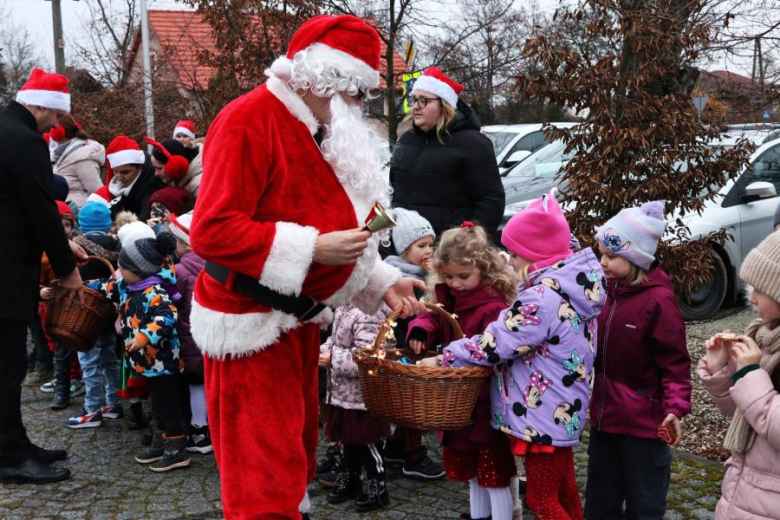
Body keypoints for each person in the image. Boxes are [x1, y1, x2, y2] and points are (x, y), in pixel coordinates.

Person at [189, 15, 425, 519]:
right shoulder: (249, 119)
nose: (360, 109)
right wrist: (312, 249)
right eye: (356, 95)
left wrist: (382, 282)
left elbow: (340, 224)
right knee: (262, 480)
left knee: (293, 458)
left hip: (297, 321)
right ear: (325, 81)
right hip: (250, 327)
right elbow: (212, 230)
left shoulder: (318, 129)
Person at [420, 191, 606, 520]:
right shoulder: (572, 285)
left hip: (543, 414)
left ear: (536, 255)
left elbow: (495, 344)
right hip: (561, 407)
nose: (512, 261)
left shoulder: (541, 298)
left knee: (541, 499)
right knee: (564, 491)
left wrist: (445, 357)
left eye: (517, 255)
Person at [0, 68, 86, 484]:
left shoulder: (5, 128)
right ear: (40, 105)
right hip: (6, 268)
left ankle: (15, 444)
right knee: (7, 364)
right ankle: (10, 455)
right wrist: (67, 270)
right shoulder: (23, 139)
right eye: (54, 116)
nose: (56, 125)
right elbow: (40, 207)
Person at [585, 202, 691, 520]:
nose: (602, 262)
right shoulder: (603, 291)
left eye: (611, 256)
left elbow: (675, 363)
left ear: (635, 259)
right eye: (600, 253)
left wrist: (674, 408)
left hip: (645, 425)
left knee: (645, 503)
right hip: (605, 419)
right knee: (600, 502)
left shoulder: (659, 302)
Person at [409, 223, 518, 520]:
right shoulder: (448, 298)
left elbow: (491, 349)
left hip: (485, 404)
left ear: (484, 269)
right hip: (457, 403)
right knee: (471, 473)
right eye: (449, 276)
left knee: (493, 475)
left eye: (463, 276)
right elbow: (434, 317)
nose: (455, 283)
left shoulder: (492, 308)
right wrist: (421, 329)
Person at [85, 231, 190, 472]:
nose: (119, 272)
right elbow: (104, 286)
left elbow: (167, 318)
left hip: (164, 362)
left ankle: (176, 448)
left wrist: (143, 337)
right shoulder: (126, 286)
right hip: (146, 362)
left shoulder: (156, 292)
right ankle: (161, 440)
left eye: (124, 268)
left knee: (167, 404)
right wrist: (76, 286)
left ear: (141, 271)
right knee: (157, 402)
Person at [698, 229, 780, 520]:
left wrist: (748, 373)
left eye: (761, 289)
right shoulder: (768, 336)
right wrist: (723, 370)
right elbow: (746, 413)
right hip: (747, 490)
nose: (752, 298)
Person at [390, 67, 505, 243]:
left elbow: (490, 200)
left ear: (444, 105)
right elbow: (394, 192)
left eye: (424, 101)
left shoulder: (474, 144)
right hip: (405, 249)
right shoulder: (407, 139)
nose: (415, 107)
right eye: (414, 100)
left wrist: (468, 242)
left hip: (449, 253)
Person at [320, 303, 394, 512]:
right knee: (348, 440)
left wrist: (333, 359)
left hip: (364, 397)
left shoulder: (370, 313)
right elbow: (336, 340)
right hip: (344, 394)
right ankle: (351, 477)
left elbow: (371, 355)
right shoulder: (346, 307)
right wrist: (325, 350)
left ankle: (377, 484)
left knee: (367, 441)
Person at [65, 202, 122, 428]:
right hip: (109, 311)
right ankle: (113, 402)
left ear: (82, 224)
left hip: (85, 312)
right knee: (109, 357)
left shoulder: (77, 247)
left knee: (89, 360)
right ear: (108, 223)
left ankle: (92, 409)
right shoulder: (118, 245)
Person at [168, 211, 212, 455]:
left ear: (186, 243)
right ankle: (213, 428)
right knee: (211, 383)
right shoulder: (215, 265)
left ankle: (199, 431)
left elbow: (173, 304)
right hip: (212, 335)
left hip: (189, 337)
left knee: (196, 385)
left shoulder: (180, 271)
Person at [41, 201, 83, 411]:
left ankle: (82, 384)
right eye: (58, 225)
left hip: (81, 307)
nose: (63, 230)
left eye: (67, 225)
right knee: (60, 351)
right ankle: (62, 390)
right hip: (56, 311)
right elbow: (36, 279)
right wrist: (41, 291)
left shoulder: (80, 248)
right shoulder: (43, 253)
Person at [104, 136, 165, 222]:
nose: (119, 178)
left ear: (140, 167)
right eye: (115, 172)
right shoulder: (122, 189)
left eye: (125, 172)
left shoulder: (154, 189)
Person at [52, 114, 105, 208]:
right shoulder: (63, 154)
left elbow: (97, 191)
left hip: (79, 213)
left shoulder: (82, 157)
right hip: (66, 210)